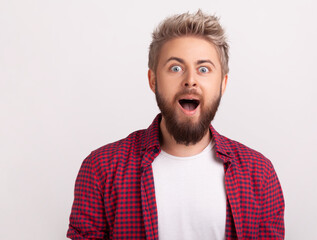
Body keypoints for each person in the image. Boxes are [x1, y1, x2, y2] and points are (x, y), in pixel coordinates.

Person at [67, 10, 285, 240]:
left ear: (223, 84)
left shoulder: (259, 174)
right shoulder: (101, 169)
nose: (190, 80)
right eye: (175, 68)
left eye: (204, 69)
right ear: (153, 80)